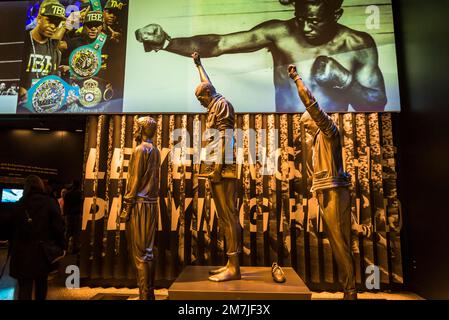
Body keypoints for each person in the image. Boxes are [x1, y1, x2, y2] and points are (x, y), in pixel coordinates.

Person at [135, 0, 387, 112]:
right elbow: (219, 43)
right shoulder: (280, 32)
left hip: (331, 133)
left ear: (336, 15)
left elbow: (375, 103)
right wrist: (167, 42)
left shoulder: (357, 44)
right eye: (300, 18)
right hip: (286, 132)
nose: (305, 27)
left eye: (314, 21)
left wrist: (344, 81)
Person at [288, 64, 357, 299]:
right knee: (337, 242)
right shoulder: (318, 139)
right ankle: (350, 290)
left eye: (305, 124)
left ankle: (351, 291)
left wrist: (297, 79)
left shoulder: (329, 131)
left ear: (315, 121)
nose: (304, 128)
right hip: (326, 190)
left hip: (334, 191)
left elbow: (312, 105)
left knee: (340, 242)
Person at [192, 52, 241, 282]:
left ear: (208, 95)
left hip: (223, 170)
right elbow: (207, 83)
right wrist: (199, 65)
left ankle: (234, 267)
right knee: (223, 217)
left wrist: (219, 168)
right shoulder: (214, 102)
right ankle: (229, 263)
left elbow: (227, 137)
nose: (200, 102)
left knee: (228, 217)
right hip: (215, 168)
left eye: (201, 98)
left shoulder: (221, 105)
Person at [122, 116, 161, 300]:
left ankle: (144, 295)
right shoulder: (156, 150)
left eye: (138, 128)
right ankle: (148, 294)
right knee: (148, 252)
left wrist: (127, 206)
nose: (136, 131)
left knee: (140, 254)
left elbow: (135, 180)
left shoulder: (140, 150)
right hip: (152, 204)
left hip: (139, 205)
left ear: (143, 130)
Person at [9, 175, 65, 300]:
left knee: (24, 286)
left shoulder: (18, 205)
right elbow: (58, 227)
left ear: (26, 187)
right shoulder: (50, 202)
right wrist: (62, 246)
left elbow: (9, 229)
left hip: (21, 252)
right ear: (40, 186)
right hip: (42, 251)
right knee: (42, 282)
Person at [18, 1, 66, 104]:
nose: (53, 26)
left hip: (43, 105)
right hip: (19, 107)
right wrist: (18, 88)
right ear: (39, 18)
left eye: (57, 23)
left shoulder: (54, 49)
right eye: (49, 21)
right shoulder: (21, 40)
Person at [63, 180, 82, 254]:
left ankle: (65, 247)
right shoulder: (80, 194)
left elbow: (65, 205)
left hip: (69, 214)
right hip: (77, 214)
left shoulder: (68, 194)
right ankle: (75, 248)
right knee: (76, 232)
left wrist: (64, 214)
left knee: (67, 231)